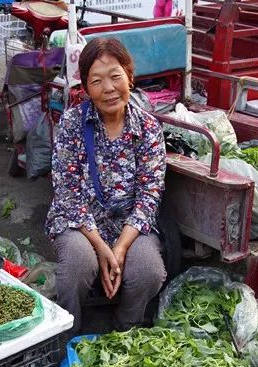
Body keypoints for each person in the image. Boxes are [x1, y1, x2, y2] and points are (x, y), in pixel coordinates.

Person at [45, 37, 167, 335]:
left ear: (129, 76)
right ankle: (66, 336)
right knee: (76, 266)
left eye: (115, 76)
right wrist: (101, 248)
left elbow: (149, 195)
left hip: (129, 226)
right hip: (79, 223)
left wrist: (121, 248)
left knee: (148, 271)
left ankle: (126, 328)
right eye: (97, 81)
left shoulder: (148, 128)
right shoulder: (73, 123)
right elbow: (67, 191)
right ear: (86, 88)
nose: (109, 88)